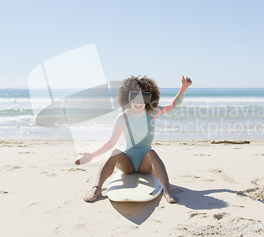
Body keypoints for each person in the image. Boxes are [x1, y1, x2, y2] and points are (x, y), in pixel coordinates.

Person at [74, 75, 192, 203]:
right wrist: (91, 155)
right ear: (128, 98)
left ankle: (167, 190)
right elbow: (111, 143)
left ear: (149, 98)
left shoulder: (152, 113)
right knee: (114, 153)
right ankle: (96, 189)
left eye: (143, 97)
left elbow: (173, 106)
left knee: (151, 153)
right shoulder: (123, 117)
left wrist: (184, 87)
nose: (139, 101)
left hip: (146, 164)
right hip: (128, 163)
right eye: (134, 96)